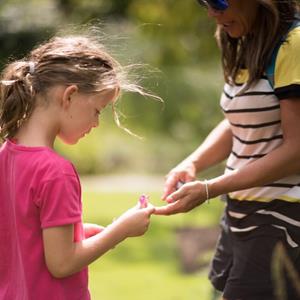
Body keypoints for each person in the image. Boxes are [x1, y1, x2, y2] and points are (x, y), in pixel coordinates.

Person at [155, 0, 300, 299]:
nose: (211, 12)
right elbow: (239, 120)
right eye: (203, 2)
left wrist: (210, 188)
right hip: (242, 213)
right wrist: (192, 163)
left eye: (218, 1)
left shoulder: (294, 44)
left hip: (280, 218)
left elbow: (296, 151)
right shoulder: (246, 40)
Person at [0, 34, 155, 300]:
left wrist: (77, 232)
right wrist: (121, 230)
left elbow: (23, 234)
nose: (96, 123)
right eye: (97, 109)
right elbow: (62, 264)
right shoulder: (55, 171)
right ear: (69, 96)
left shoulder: (6, 155)